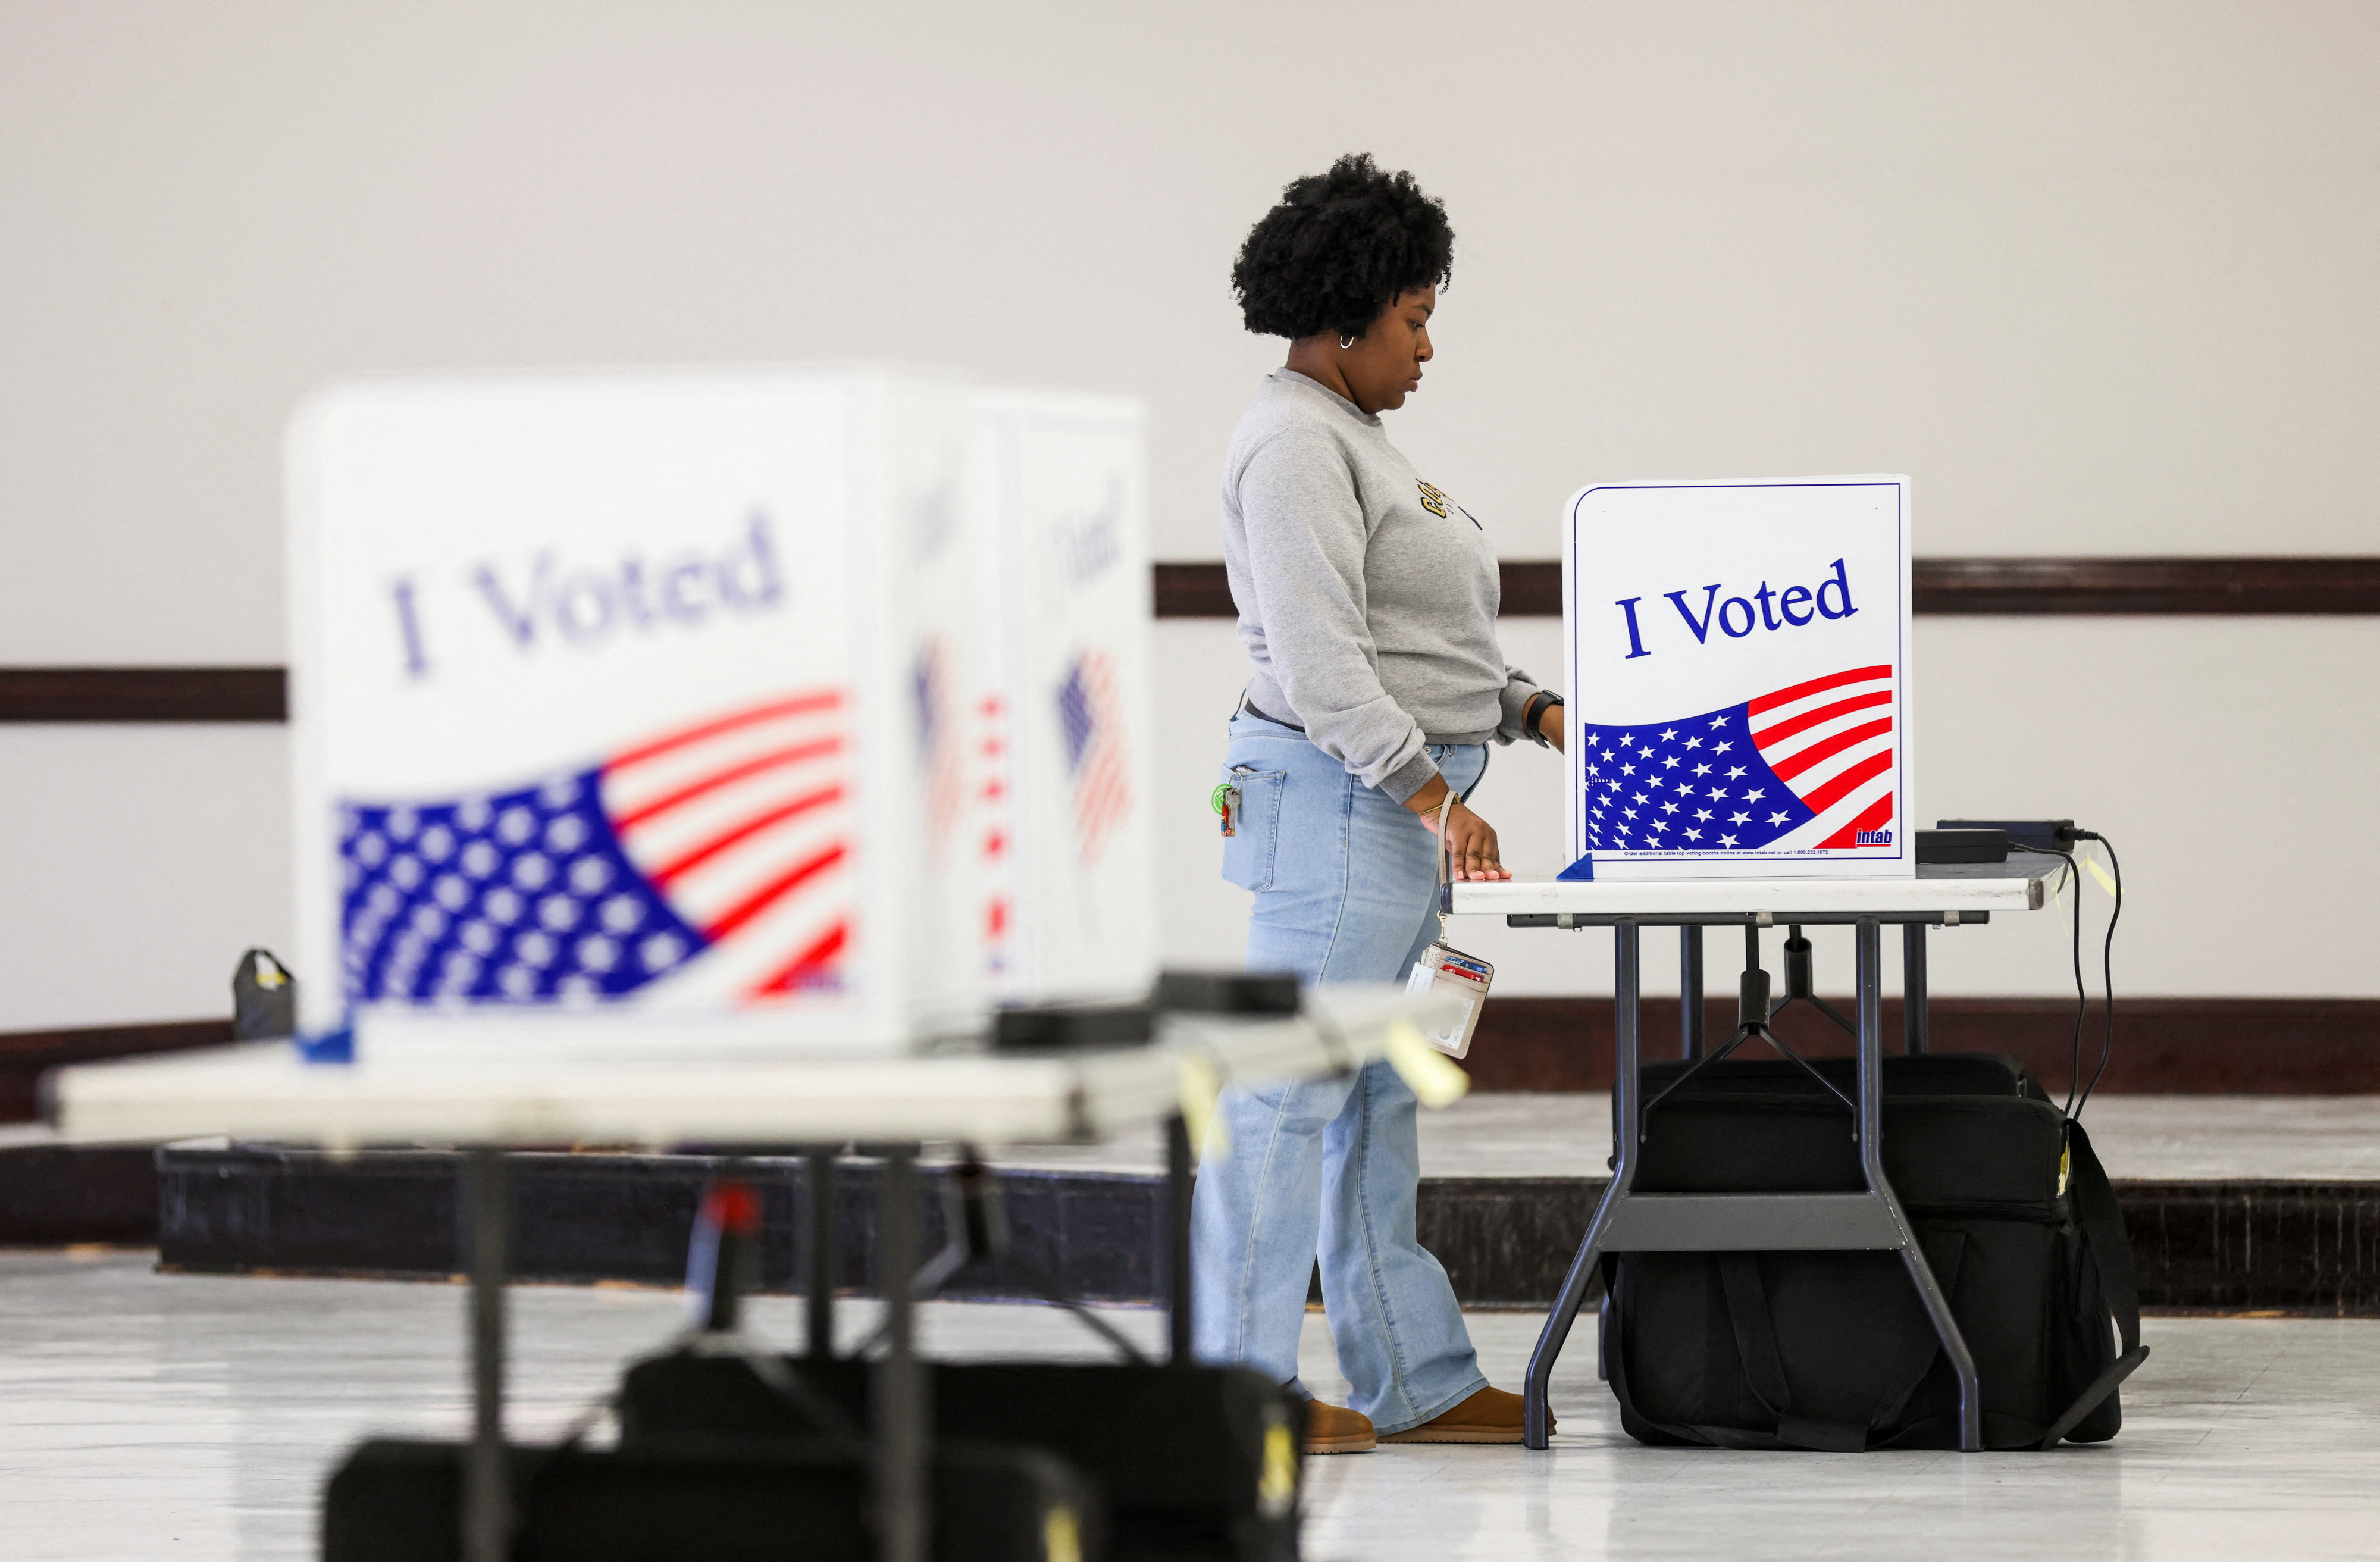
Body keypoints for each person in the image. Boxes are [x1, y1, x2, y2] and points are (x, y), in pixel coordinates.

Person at [1193, 154, 1567, 1454]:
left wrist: (1528, 709)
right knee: (1282, 1097)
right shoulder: (1294, 441)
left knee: (1366, 1096)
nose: (1425, 344)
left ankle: (1411, 1374)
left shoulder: (1352, 438)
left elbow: (1420, 640)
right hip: (1343, 803)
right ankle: (1234, 1399)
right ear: (1346, 317)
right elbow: (1319, 660)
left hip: (1383, 809)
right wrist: (1427, 794)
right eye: (1411, 316)